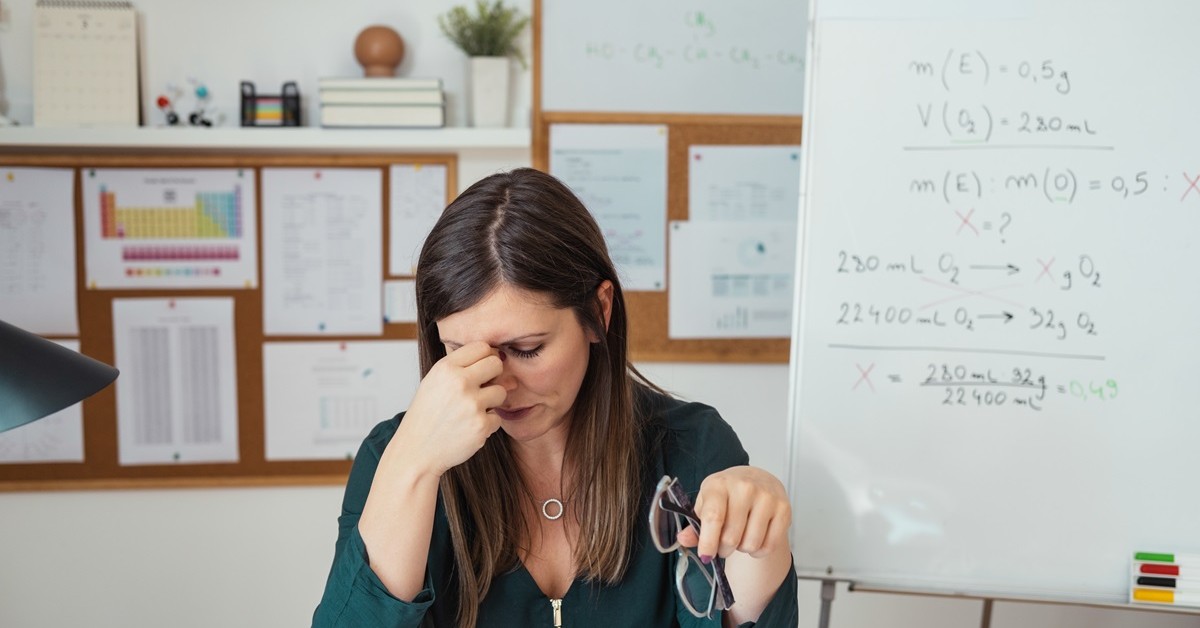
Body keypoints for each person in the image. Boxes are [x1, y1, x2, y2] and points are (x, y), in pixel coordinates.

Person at [313, 168, 798, 627]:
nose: (497, 385)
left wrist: (762, 542)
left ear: (598, 311)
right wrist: (414, 465)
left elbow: (738, 612)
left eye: (526, 350)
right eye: (460, 352)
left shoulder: (692, 447)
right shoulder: (393, 455)